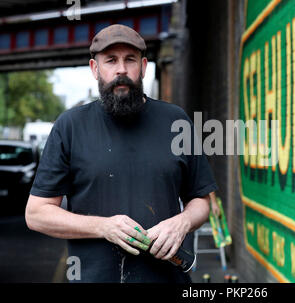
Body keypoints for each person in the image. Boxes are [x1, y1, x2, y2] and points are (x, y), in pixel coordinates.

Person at [25, 24, 218, 283]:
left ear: (144, 66)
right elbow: (36, 213)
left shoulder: (176, 121)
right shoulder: (70, 126)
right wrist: (103, 227)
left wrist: (182, 222)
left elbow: (202, 202)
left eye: (130, 60)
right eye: (111, 60)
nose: (121, 70)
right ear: (95, 68)